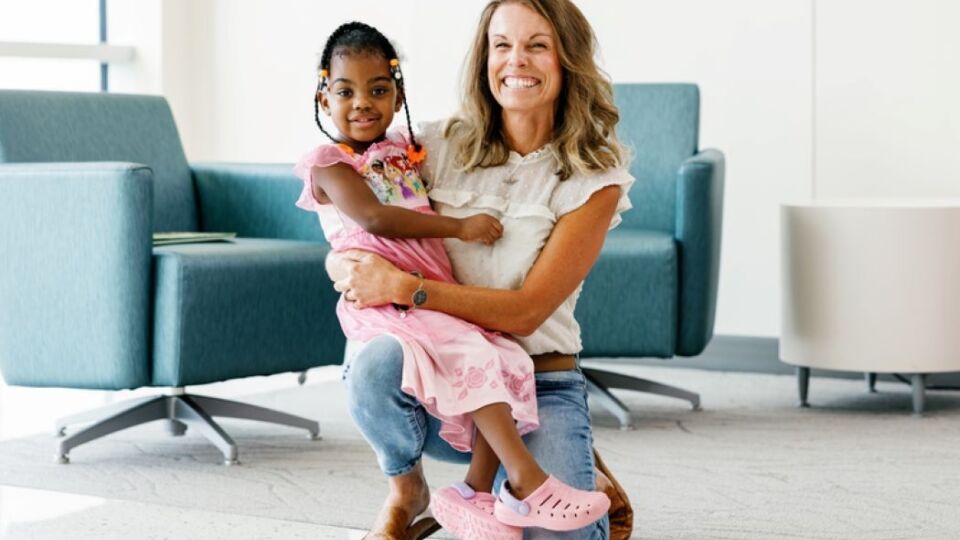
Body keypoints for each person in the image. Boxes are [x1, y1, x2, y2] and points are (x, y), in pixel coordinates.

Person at [326, 1, 637, 538]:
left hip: (540, 382)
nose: (516, 60)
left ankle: (567, 461)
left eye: (537, 45)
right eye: (502, 45)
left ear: (568, 58)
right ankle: (407, 489)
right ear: (484, 57)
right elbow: (359, 207)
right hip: (440, 387)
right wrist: (343, 260)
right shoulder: (431, 146)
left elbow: (527, 312)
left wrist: (407, 288)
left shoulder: (595, 178)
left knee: (555, 531)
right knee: (376, 364)